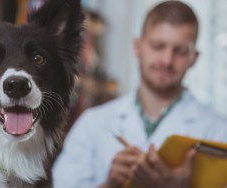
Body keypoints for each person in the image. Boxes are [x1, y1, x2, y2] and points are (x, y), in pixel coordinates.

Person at [52, 1, 227, 188]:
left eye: (180, 51)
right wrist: (110, 184)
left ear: (194, 58)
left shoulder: (218, 132)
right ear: (138, 47)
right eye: (158, 46)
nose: (167, 60)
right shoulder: (92, 124)